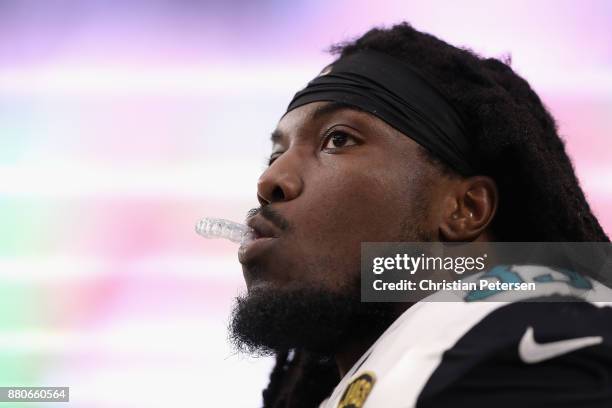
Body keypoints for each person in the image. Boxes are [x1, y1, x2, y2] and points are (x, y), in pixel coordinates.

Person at [229, 22, 612, 407]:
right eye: (275, 156)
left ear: (465, 209)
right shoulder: (411, 367)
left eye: (338, 139)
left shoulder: (531, 345)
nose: (269, 180)